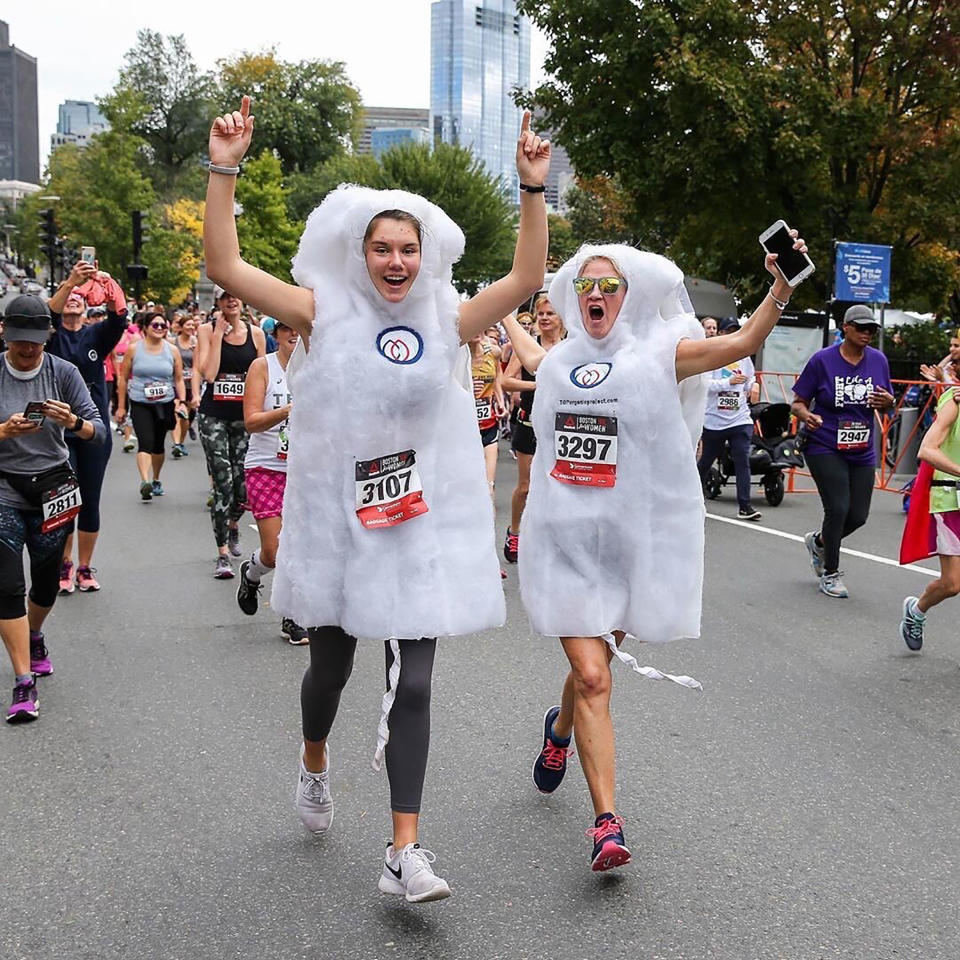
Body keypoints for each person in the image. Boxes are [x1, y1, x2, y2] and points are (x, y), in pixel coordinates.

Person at [203, 95, 548, 900]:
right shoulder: (320, 314)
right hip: (336, 527)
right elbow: (226, 267)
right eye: (382, 249)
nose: (396, 262)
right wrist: (224, 168)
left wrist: (532, 188)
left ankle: (405, 851)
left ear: (424, 257)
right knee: (331, 667)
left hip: (414, 527)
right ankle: (314, 758)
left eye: (407, 250)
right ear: (360, 256)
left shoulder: (449, 317)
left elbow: (529, 278)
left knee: (417, 682)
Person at [503, 231, 807, 872]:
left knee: (599, 665)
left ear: (629, 296)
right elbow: (528, 351)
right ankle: (606, 825)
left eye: (609, 285)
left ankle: (559, 732)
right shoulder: (559, 361)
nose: (596, 294)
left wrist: (780, 286)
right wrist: (500, 305)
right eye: (586, 284)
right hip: (561, 539)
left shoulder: (659, 355)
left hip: (623, 546)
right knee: (594, 676)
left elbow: (744, 343)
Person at [0, 296, 105, 722]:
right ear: (5, 332)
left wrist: (72, 423)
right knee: (7, 586)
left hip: (53, 487)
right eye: (20, 341)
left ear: (48, 336)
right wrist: (3, 431)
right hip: (4, 487)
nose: (28, 350)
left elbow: (98, 431)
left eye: (36, 342)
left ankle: (36, 632)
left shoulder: (63, 373)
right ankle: (23, 681)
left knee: (44, 584)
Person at [792, 304, 895, 598]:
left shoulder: (878, 361)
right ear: (845, 327)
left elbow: (888, 404)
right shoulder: (822, 361)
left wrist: (888, 402)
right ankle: (830, 573)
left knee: (858, 515)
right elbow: (797, 403)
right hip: (824, 444)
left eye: (872, 329)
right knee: (837, 508)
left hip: (861, 447)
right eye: (861, 328)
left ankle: (820, 543)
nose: (867, 334)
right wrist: (806, 415)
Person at [46, 263, 128, 594]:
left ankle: (83, 567)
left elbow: (119, 319)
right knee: (66, 500)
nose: (74, 300)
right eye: (69, 297)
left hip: (92, 429)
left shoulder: (96, 335)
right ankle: (63, 565)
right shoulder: (51, 337)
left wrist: (110, 289)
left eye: (80, 297)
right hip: (57, 431)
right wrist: (71, 283)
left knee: (90, 500)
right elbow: (48, 314)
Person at [235, 319, 308, 644]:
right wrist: (288, 411)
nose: (293, 333)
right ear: (275, 334)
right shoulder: (262, 367)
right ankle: (251, 574)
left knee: (303, 547)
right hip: (266, 468)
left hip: (307, 469)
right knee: (275, 551)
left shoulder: (319, 366)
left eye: (298, 327)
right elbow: (251, 422)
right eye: (285, 327)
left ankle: (292, 617)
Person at [196, 287, 266, 578]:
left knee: (242, 488)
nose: (231, 300)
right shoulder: (205, 329)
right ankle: (222, 553)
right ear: (218, 302)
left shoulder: (257, 334)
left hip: (244, 418)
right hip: (214, 416)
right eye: (225, 296)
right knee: (222, 483)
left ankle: (233, 523)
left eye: (235, 295)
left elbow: (265, 372)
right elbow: (209, 374)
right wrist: (216, 336)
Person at [501, 294, 564, 563]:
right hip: (528, 422)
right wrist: (537, 385)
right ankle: (514, 532)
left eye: (550, 313)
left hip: (559, 426)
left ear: (561, 317)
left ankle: (546, 537)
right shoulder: (529, 346)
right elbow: (506, 381)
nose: (545, 318)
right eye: (541, 315)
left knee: (555, 486)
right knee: (526, 486)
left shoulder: (569, 347)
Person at [899, 387, 960, 650]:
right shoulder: (954, 401)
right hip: (950, 498)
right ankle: (917, 608)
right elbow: (926, 450)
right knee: (952, 583)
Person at [115, 313, 188, 500]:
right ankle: (145, 481)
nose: (160, 328)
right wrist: (121, 407)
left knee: (158, 445)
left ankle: (156, 478)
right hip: (141, 402)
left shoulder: (172, 350)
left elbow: (178, 379)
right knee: (145, 441)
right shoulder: (134, 349)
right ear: (145, 328)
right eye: (155, 325)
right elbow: (123, 378)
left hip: (164, 403)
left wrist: (181, 401)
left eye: (163, 325)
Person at [697, 317, 762, 521]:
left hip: (739, 419)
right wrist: (728, 382)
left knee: (743, 461)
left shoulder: (743, 357)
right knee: (706, 462)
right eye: (729, 331)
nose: (733, 334)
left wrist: (752, 386)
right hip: (714, 420)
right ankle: (690, 499)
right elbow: (704, 384)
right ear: (721, 334)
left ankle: (745, 506)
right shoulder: (711, 355)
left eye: (736, 330)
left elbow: (749, 377)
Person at [171, 315, 199, 457]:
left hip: (191, 384)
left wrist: (197, 352)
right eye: (188, 325)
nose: (190, 328)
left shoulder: (196, 343)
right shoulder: (173, 342)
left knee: (188, 416)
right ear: (181, 327)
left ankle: (181, 442)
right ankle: (176, 444)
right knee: (179, 413)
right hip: (176, 382)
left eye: (193, 326)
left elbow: (199, 365)